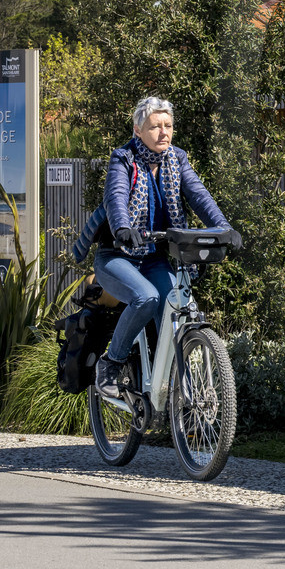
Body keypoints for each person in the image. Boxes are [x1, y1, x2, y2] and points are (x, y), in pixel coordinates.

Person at [85, 96, 230, 399]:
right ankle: (111, 363)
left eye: (168, 126)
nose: (163, 132)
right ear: (138, 130)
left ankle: (180, 389)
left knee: (175, 302)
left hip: (153, 258)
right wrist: (123, 228)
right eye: (155, 127)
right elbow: (116, 196)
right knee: (146, 297)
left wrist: (224, 227)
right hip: (116, 255)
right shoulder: (123, 159)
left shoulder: (177, 159)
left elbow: (199, 195)